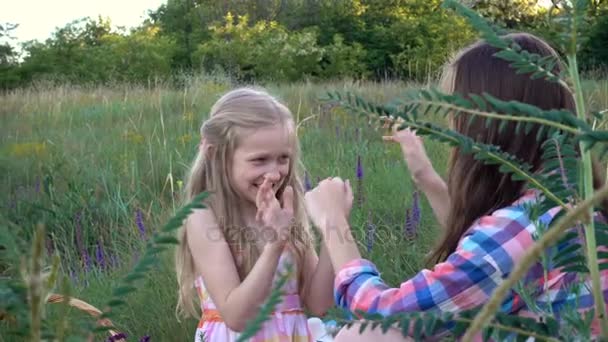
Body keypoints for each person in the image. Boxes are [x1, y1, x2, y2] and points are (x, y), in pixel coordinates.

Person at [303, 32, 608, 341]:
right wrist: (426, 176)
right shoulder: (570, 201)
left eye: (456, 116)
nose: (452, 129)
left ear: (486, 125)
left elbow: (382, 313)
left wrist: (333, 222)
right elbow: (482, 262)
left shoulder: (523, 227)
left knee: (365, 336)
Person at [175, 87, 335, 342]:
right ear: (217, 156)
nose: (274, 173)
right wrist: (275, 244)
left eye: (283, 158)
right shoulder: (204, 216)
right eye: (259, 160)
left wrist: (332, 229)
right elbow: (237, 317)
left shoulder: (286, 208)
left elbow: (319, 303)